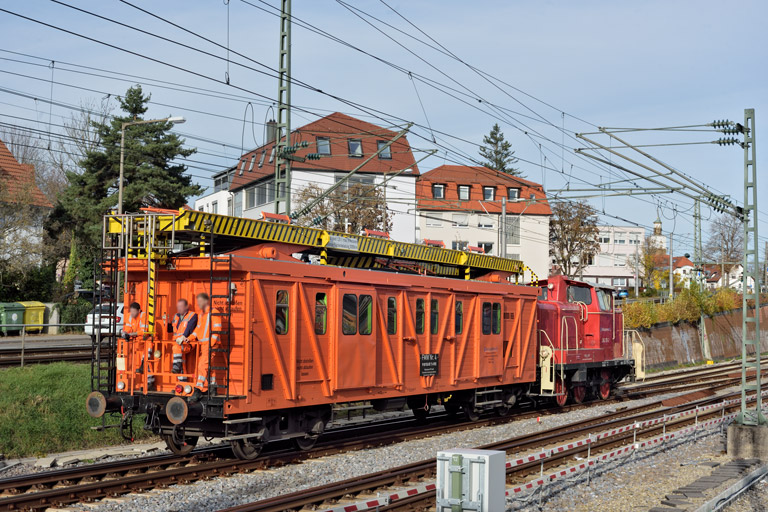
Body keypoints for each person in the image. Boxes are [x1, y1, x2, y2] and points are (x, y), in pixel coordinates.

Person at [184, 292, 222, 402]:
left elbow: (216, 330)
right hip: (204, 345)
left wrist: (210, 344)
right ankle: (213, 387)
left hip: (210, 345)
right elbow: (198, 330)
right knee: (209, 366)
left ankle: (198, 389)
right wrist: (189, 338)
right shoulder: (201, 314)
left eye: (200, 302)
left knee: (202, 366)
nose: (198, 304)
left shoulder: (214, 313)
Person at [122, 302, 154, 390]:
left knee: (146, 360)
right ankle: (146, 382)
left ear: (139, 311)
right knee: (142, 361)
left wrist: (131, 334)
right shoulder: (130, 316)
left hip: (147, 341)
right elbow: (127, 328)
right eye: (131, 311)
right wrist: (125, 333)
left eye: (133, 312)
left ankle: (149, 382)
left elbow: (144, 331)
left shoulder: (144, 316)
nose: (132, 314)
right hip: (138, 343)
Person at [171, 299, 198, 381]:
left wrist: (183, 337)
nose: (178, 308)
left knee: (177, 355)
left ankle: (176, 366)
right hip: (177, 342)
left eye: (181, 306)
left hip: (187, 343)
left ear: (186, 307)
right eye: (178, 307)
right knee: (181, 363)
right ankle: (182, 383)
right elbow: (172, 328)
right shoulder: (176, 316)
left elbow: (189, 329)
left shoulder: (192, 315)